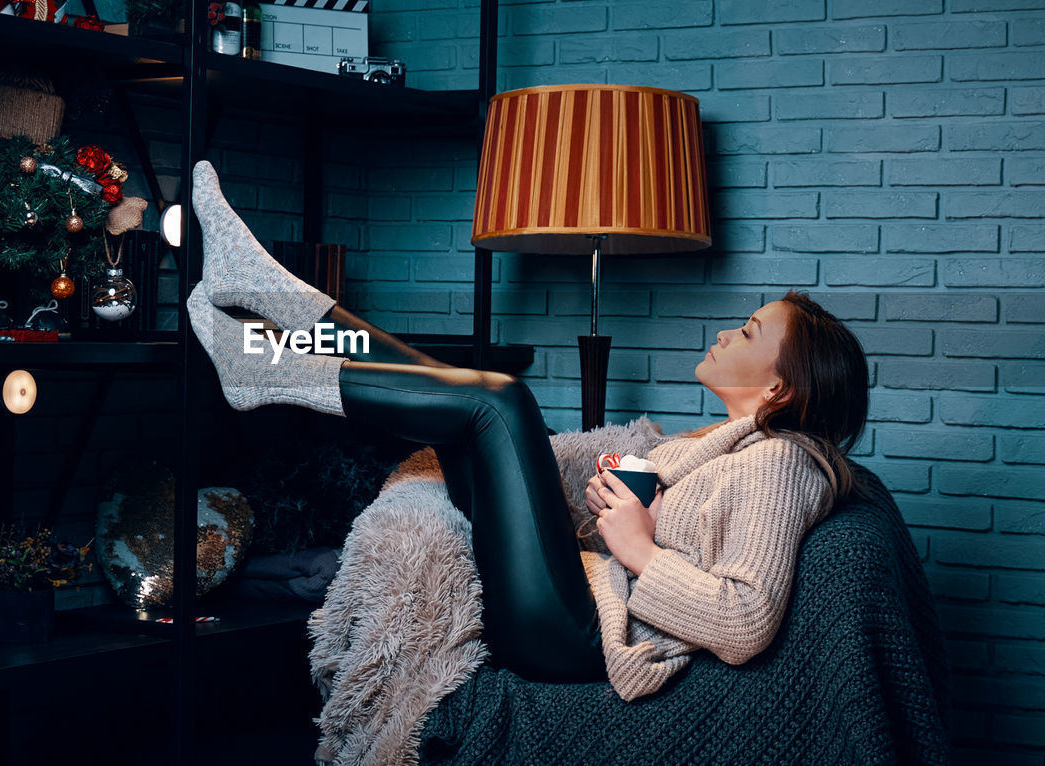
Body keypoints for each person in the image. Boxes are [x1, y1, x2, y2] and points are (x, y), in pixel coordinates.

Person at [185, 160, 871, 686]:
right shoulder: (727, 451)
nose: (726, 332)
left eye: (748, 332)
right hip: (573, 596)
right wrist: (627, 499)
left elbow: (744, 621)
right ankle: (269, 300)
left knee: (497, 399)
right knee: (456, 388)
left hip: (573, 634)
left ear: (778, 387)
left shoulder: (783, 465)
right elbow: (686, 536)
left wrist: (637, 547)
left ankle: (268, 357)